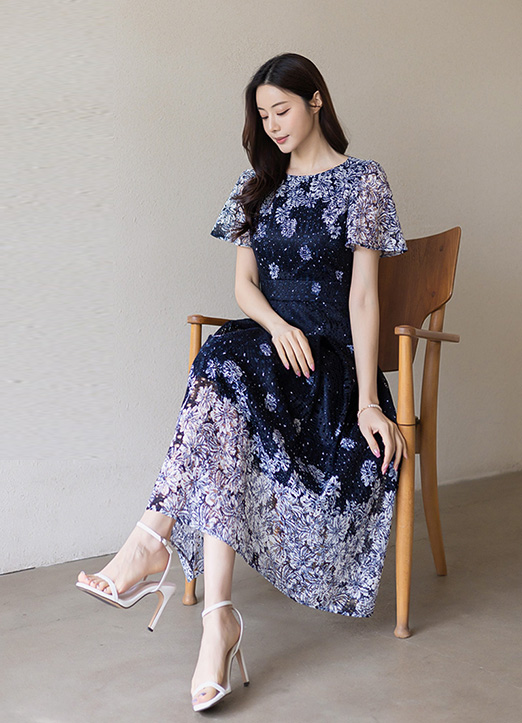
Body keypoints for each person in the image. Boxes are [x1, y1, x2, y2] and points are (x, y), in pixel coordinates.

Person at [76, 52, 408, 713]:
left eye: (282, 110)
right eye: (262, 114)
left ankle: (153, 543)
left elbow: (365, 296)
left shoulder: (363, 180)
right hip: (268, 349)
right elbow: (244, 286)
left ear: (316, 101)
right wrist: (277, 325)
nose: (272, 124)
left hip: (328, 364)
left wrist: (370, 402)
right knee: (228, 365)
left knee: (224, 367)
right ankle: (215, 618)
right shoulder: (256, 185)